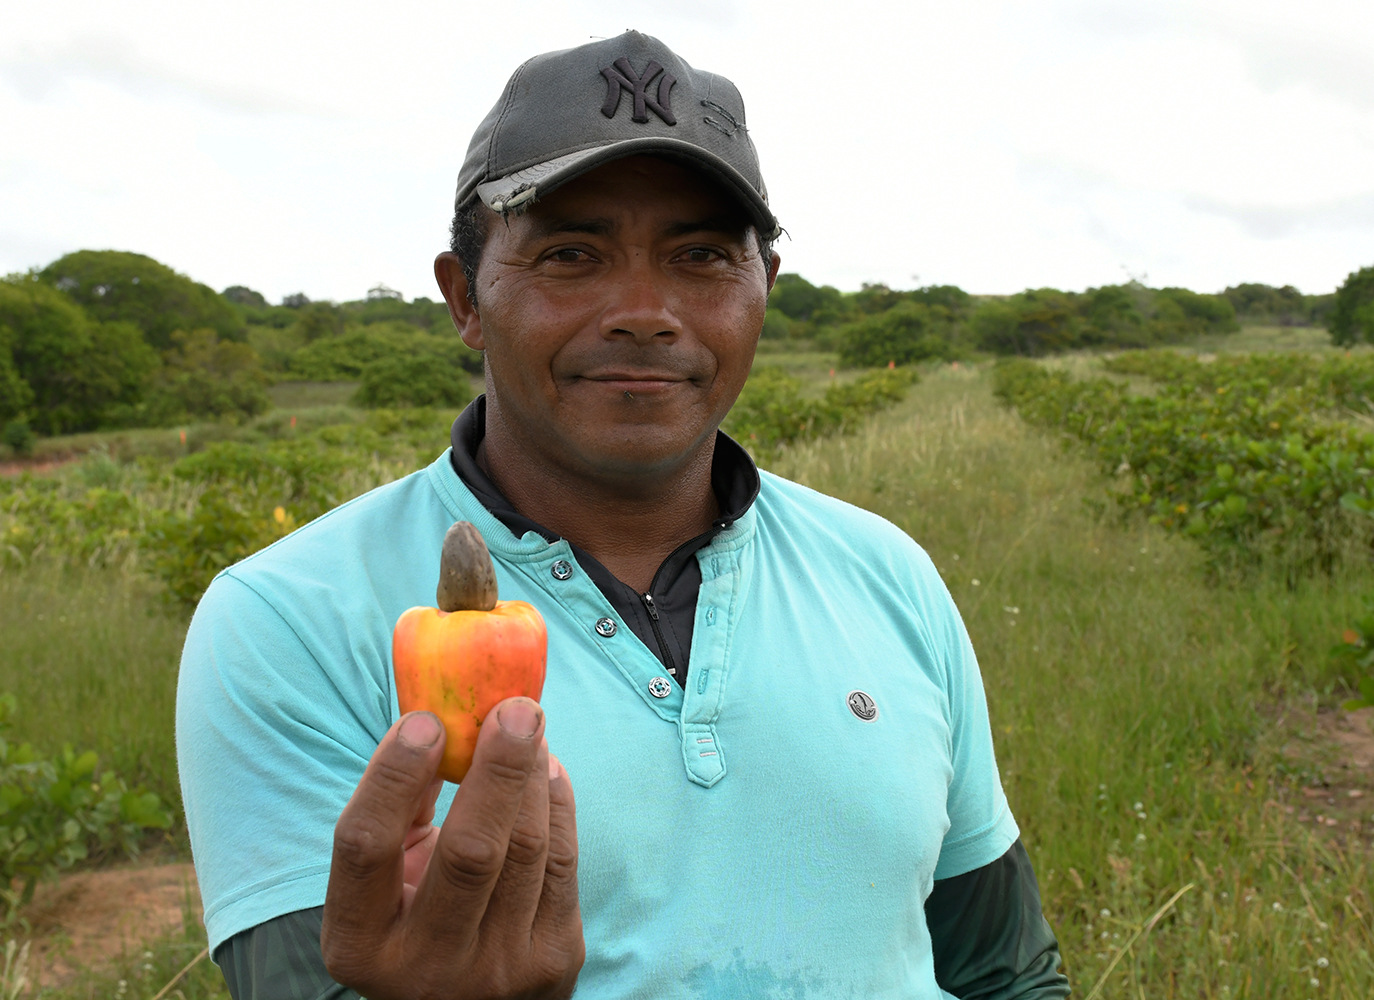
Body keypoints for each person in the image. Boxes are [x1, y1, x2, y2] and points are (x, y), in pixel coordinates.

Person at [177, 29, 1070, 1000]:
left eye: (699, 255)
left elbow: (1004, 970)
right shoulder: (286, 617)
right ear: (463, 298)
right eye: (570, 252)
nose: (645, 309)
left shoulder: (887, 572)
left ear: (764, 288)